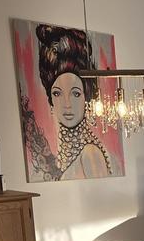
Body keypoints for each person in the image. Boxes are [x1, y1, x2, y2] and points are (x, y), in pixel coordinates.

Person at [34, 25, 112, 180]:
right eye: (57, 93)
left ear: (86, 98)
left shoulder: (90, 153)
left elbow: (103, 193)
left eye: (75, 93)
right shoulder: (68, 156)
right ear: (51, 101)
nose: (67, 104)